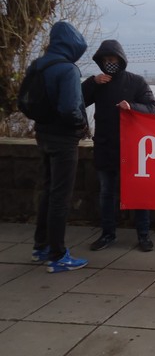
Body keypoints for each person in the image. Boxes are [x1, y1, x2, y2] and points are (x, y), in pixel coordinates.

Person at [82, 40, 155, 252]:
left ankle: (143, 235)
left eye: (112, 59)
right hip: (105, 147)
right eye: (105, 60)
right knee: (106, 194)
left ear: (120, 60)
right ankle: (107, 235)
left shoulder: (136, 82)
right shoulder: (97, 83)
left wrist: (132, 107)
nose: (109, 63)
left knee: (139, 193)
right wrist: (92, 83)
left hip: (132, 149)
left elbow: (152, 108)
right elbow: (77, 101)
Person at [30, 21, 89, 273]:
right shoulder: (67, 70)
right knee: (60, 197)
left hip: (43, 135)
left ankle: (41, 247)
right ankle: (57, 256)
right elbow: (69, 108)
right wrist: (81, 125)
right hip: (63, 140)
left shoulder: (38, 65)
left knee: (47, 191)